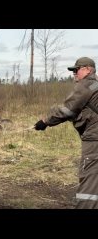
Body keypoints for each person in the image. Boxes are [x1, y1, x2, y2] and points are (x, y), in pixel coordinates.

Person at [34, 57, 98, 209]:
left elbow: (67, 110)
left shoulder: (86, 85)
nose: (74, 73)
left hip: (95, 140)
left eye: (77, 69)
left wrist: (45, 122)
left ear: (88, 69)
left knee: (89, 177)